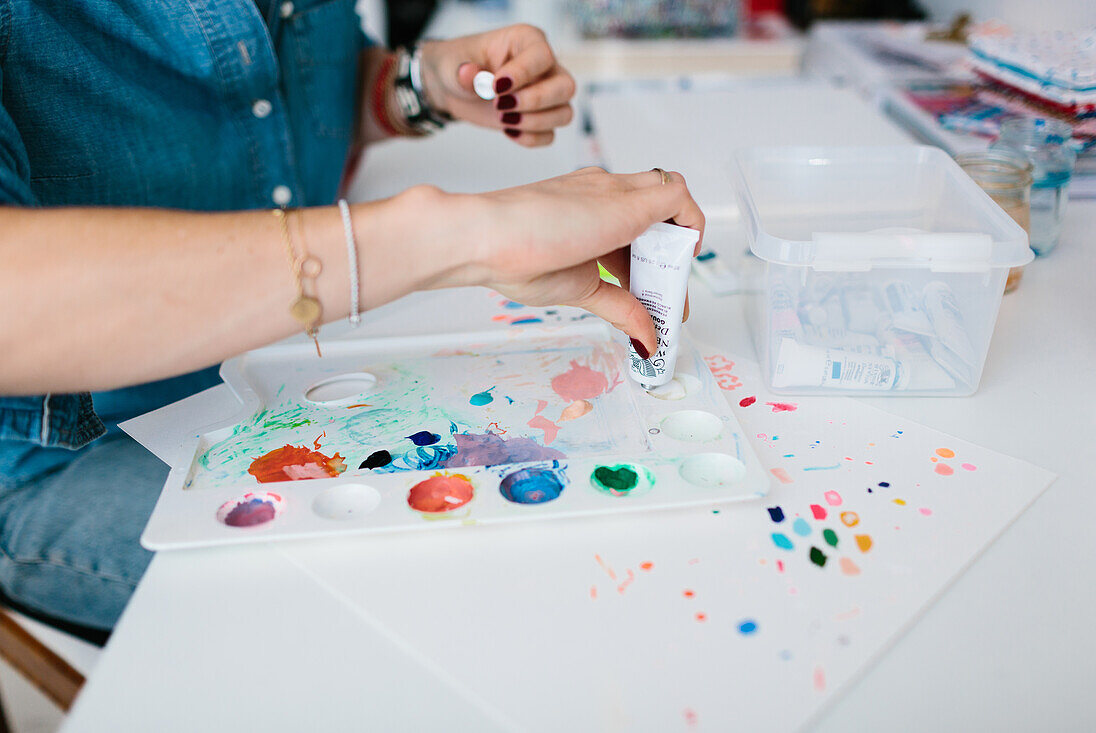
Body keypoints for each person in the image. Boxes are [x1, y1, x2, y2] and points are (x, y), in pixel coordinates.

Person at [0, 1, 703, 636]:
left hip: (289, 359)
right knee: (470, 611)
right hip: (71, 451)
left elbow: (270, 100)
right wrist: (454, 234)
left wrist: (416, 86)